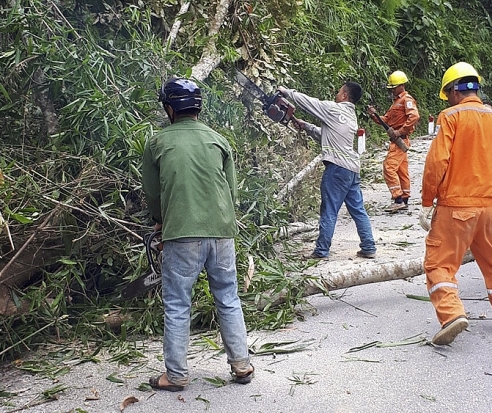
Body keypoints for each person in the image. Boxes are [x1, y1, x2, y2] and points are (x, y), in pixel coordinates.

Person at [142, 77, 254, 391]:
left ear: (169, 108)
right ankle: (241, 365)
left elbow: (152, 194)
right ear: (197, 107)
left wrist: (160, 221)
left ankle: (176, 376)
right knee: (229, 298)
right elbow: (231, 192)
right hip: (222, 233)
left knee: (178, 304)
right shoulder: (219, 140)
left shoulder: (158, 143)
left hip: (182, 234)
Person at [420, 62, 492, 345]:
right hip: (490, 207)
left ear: (454, 91)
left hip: (457, 207)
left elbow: (437, 162)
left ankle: (452, 314)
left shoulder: (451, 116)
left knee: (438, 263)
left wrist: (427, 200)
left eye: (448, 93)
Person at [277, 82, 377, 260]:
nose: (336, 94)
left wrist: (286, 92)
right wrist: (306, 126)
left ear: (345, 95)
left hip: (337, 169)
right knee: (358, 210)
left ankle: (321, 250)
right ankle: (369, 246)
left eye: (339, 91)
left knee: (329, 210)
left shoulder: (333, 109)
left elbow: (309, 103)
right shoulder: (350, 116)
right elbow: (329, 135)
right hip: (352, 169)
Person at [367, 70, 420, 213]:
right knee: (402, 171)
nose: (391, 90)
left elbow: (414, 116)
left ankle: (397, 199)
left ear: (401, 86)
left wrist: (401, 131)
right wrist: (374, 115)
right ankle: (405, 198)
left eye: (393, 87)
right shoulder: (396, 103)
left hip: (400, 140)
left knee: (389, 167)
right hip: (397, 141)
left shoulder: (406, 100)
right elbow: (386, 120)